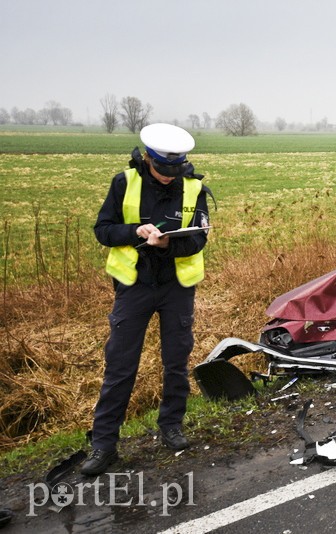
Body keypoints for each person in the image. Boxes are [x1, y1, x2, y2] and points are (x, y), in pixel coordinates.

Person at [81, 123, 212, 476]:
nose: (170, 177)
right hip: (134, 287)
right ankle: (104, 445)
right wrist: (135, 231)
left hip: (177, 288)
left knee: (176, 361)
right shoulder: (124, 182)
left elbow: (199, 239)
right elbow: (103, 230)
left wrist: (170, 243)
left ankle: (171, 426)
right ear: (148, 160)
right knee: (120, 367)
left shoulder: (194, 187)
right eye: (163, 170)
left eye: (176, 170)